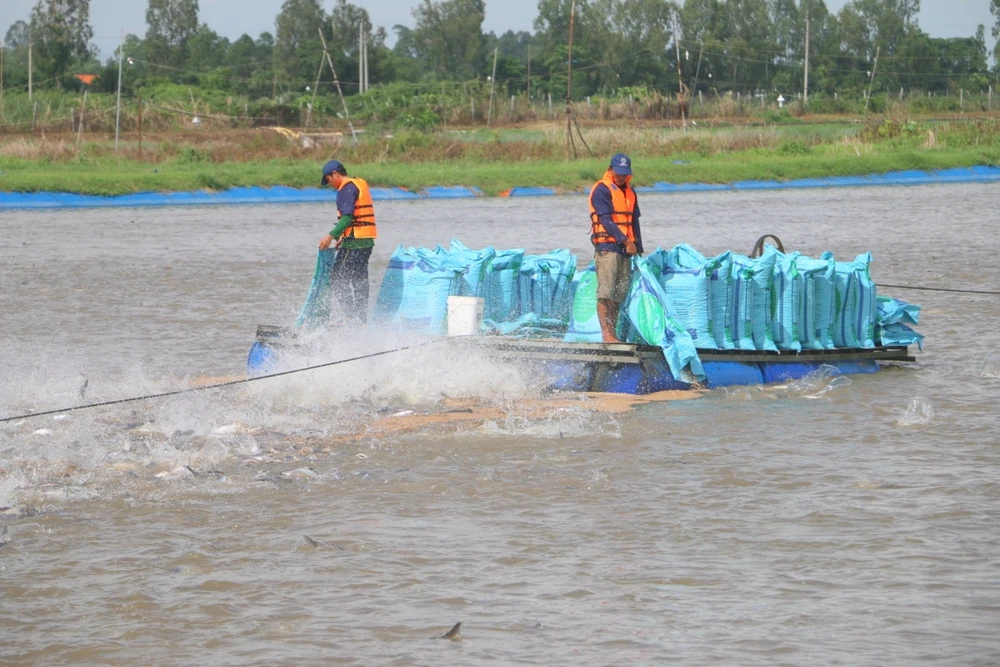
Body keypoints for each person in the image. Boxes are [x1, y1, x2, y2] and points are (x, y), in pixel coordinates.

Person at [588, 153, 643, 343]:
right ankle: (607, 335)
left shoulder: (630, 191)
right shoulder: (601, 190)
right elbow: (606, 220)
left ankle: (614, 335)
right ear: (610, 170)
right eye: (618, 173)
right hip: (607, 248)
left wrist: (638, 246)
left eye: (624, 174)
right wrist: (625, 241)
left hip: (625, 250)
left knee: (618, 295)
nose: (621, 177)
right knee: (606, 293)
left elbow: (633, 221)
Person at [318, 159, 377, 323]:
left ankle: (352, 317)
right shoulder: (358, 184)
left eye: (329, 179)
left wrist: (331, 236)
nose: (330, 183)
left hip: (355, 242)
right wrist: (343, 236)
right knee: (359, 280)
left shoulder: (345, 189)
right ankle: (361, 319)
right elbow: (356, 217)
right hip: (366, 241)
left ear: (335, 174)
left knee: (336, 278)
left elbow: (347, 218)